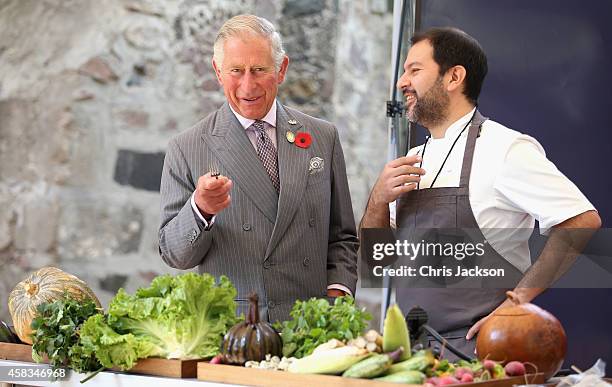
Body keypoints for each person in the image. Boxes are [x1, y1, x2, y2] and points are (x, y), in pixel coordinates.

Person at [360, 27, 601, 357]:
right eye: (404, 72)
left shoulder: (505, 149)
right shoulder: (412, 160)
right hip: (412, 354)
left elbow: (581, 221)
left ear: (454, 77)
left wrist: (517, 304)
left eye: (414, 70)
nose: (402, 82)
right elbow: (378, 262)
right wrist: (378, 199)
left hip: (482, 353)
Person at [159, 14, 358, 322]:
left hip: (311, 327)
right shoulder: (187, 147)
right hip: (236, 330)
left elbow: (342, 236)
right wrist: (200, 209)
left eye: (259, 70)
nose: (247, 85)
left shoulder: (323, 136)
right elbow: (174, 254)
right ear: (218, 72)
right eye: (236, 71)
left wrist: (338, 294)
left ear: (281, 70)